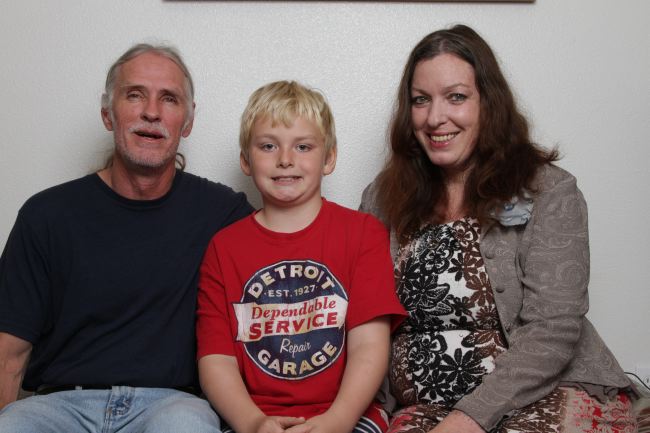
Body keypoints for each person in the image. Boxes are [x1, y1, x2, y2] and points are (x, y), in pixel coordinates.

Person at [360, 25, 637, 433]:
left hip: (546, 394)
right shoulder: (381, 199)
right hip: (425, 408)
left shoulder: (548, 190)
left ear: (489, 102)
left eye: (456, 97)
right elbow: (363, 320)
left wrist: (469, 419)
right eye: (421, 100)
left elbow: (553, 328)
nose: (435, 118)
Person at [0, 43, 253, 432]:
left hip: (172, 404)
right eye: (134, 95)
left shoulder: (223, 213)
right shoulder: (46, 216)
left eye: (169, 98)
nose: (151, 111)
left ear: (187, 121)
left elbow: (291, 261)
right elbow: (8, 355)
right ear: (108, 113)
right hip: (59, 406)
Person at [196, 81, 407, 433]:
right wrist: (252, 423)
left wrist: (337, 420)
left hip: (347, 416)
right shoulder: (224, 248)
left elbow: (369, 346)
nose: (285, 159)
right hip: (253, 417)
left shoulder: (362, 234)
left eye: (303, 146)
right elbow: (216, 360)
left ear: (329, 158)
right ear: (246, 160)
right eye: (268, 146)